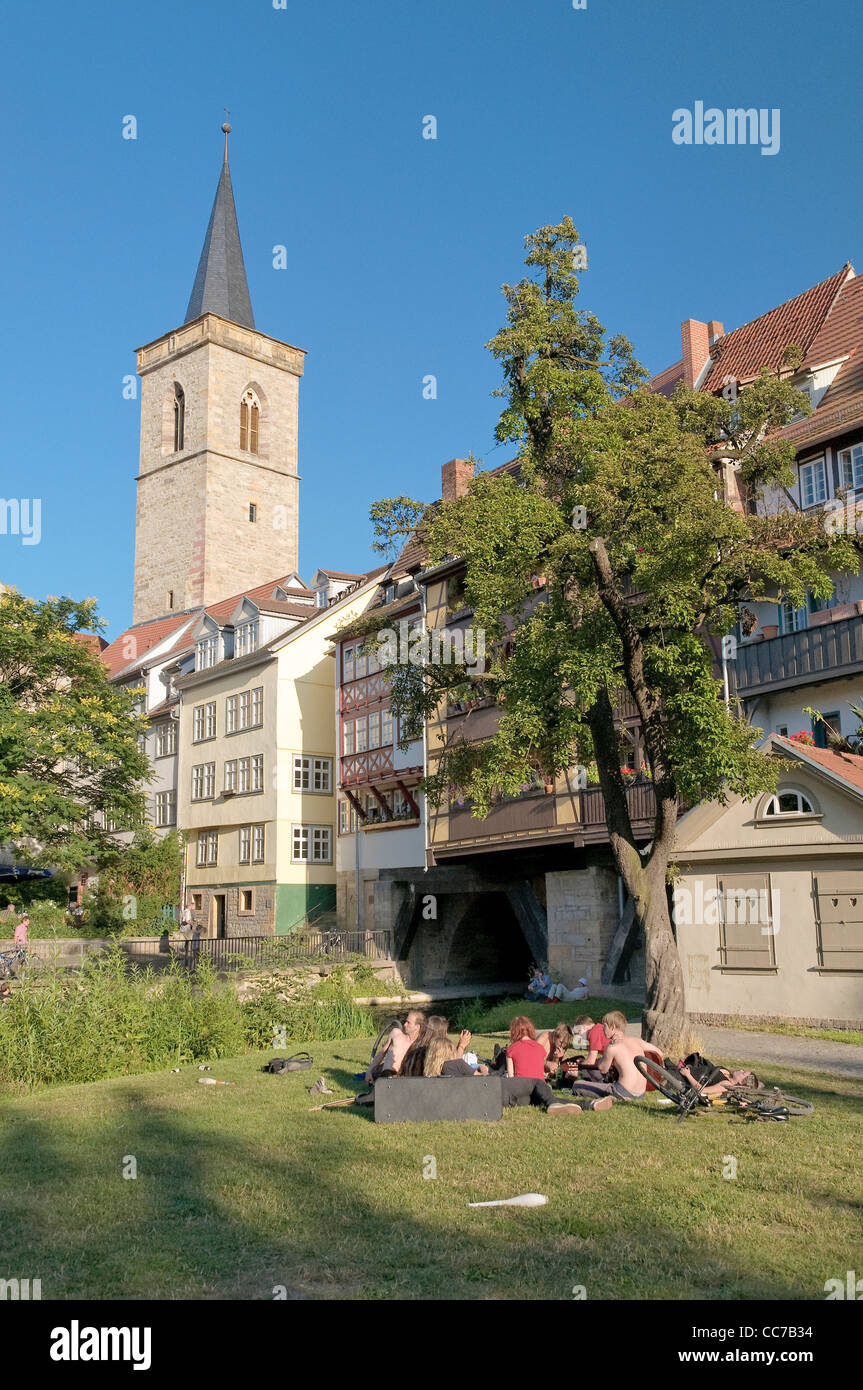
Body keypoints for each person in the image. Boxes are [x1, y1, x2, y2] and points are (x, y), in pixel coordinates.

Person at [569, 1011, 661, 1104]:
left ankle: (612, 1097)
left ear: (612, 1027)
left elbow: (603, 1069)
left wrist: (600, 1061)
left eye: (604, 1026)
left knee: (577, 1085)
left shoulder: (612, 1047)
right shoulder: (637, 1040)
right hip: (641, 1093)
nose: (602, 1029)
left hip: (622, 1092)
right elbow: (659, 1053)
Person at [364, 1009, 426, 1084]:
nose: (404, 1024)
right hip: (385, 1076)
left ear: (417, 1027)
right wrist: (369, 1070)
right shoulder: (396, 1033)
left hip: (402, 1080)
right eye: (405, 1021)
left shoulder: (420, 1044)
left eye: (408, 1023)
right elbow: (381, 1053)